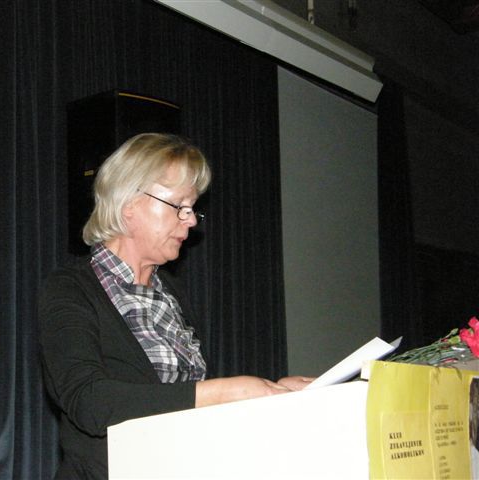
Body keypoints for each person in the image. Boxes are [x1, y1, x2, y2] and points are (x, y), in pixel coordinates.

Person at [38, 133, 312, 479]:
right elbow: (90, 402)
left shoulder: (171, 294)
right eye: (179, 206)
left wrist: (272, 391)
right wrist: (227, 391)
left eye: (192, 207)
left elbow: (184, 402)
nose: (192, 220)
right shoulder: (70, 289)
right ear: (129, 203)